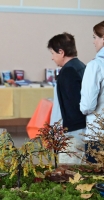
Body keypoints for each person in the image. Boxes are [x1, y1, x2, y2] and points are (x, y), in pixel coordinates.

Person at [48, 32, 86, 164]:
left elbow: (73, 104)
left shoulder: (68, 71)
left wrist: (62, 133)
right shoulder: (80, 66)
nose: (52, 58)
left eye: (53, 53)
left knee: (68, 172)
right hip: (81, 128)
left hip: (73, 131)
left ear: (61, 52)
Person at [80, 21, 104, 163]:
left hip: (98, 135)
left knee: (94, 181)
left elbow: (87, 105)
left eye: (95, 37)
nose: (93, 41)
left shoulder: (95, 66)